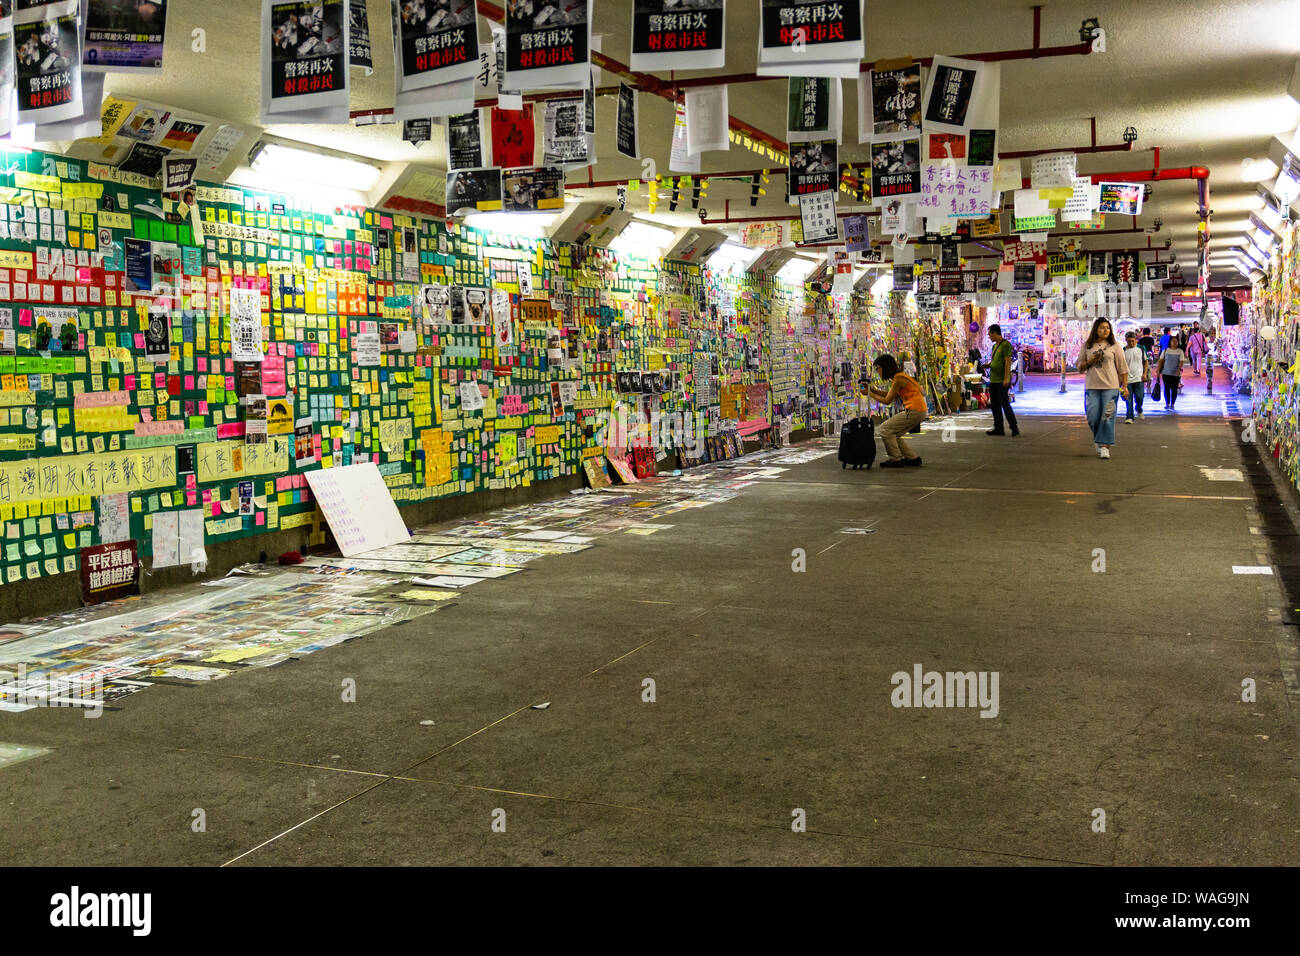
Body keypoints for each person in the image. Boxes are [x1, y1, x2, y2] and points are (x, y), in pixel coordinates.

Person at [1076, 318, 1129, 460]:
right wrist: (1090, 361)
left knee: (1107, 416)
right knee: (1092, 417)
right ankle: (1098, 439)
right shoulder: (1087, 346)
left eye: (1107, 328)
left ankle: (1104, 446)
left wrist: (1124, 386)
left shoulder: (1115, 346)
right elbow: (1079, 366)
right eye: (1102, 328)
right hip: (1092, 386)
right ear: (1095, 330)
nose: (1105, 330)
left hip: (1111, 386)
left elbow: (1123, 368)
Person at [865, 354, 927, 468]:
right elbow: (890, 395)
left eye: (877, 368)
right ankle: (912, 458)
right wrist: (872, 390)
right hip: (919, 410)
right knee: (894, 433)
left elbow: (887, 400)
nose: (877, 372)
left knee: (884, 429)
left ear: (884, 367)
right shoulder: (900, 377)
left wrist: (870, 394)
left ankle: (895, 459)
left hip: (914, 410)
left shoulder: (898, 379)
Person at [985, 324, 1019, 437]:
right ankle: (998, 428)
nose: (989, 337)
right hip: (993, 380)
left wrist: (1006, 378)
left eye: (990, 334)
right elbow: (995, 360)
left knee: (1005, 404)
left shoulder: (1006, 345)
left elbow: (1007, 362)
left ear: (995, 333)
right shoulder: (994, 347)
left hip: (1001, 380)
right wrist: (989, 365)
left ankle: (1014, 426)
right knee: (995, 405)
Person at [1122, 331, 1148, 422]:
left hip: (1139, 378)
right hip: (1127, 379)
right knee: (1128, 399)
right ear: (1126, 341)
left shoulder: (1141, 349)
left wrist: (1144, 374)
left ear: (1136, 340)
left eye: (1133, 341)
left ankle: (1139, 408)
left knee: (1140, 397)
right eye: (1129, 341)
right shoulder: (1123, 350)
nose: (1131, 343)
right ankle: (1129, 417)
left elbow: (1146, 361)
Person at [1158, 335, 1186, 411]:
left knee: (1174, 389)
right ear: (1170, 342)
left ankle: (1172, 404)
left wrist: (1179, 370)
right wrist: (1158, 371)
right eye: (1173, 341)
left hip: (1176, 374)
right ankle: (1167, 403)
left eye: (1176, 341)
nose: (1175, 343)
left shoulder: (1180, 351)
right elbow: (1161, 361)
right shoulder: (1166, 350)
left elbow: (1181, 361)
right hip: (1166, 373)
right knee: (1167, 388)